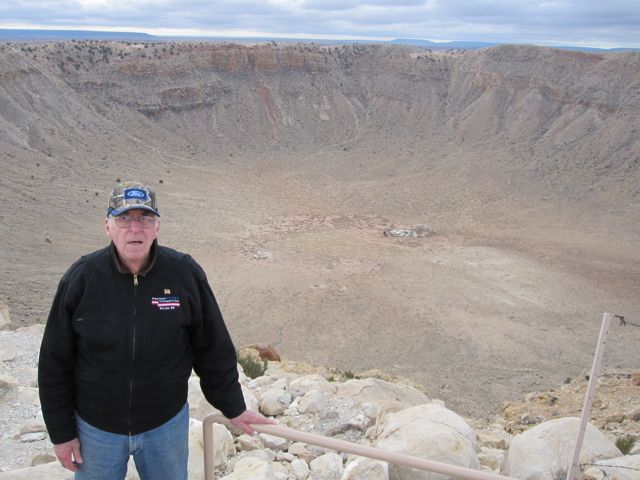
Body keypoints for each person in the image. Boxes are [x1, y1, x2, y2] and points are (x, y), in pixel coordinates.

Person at [38, 180, 272, 479]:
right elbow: (54, 363)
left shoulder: (184, 274)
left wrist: (234, 407)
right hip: (96, 431)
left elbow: (211, 347)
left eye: (145, 219)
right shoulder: (82, 279)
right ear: (107, 226)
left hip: (166, 427)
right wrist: (61, 433)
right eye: (124, 219)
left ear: (157, 227)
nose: (135, 229)